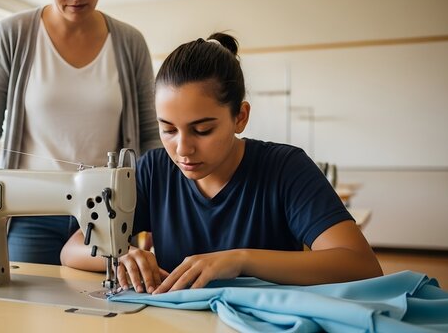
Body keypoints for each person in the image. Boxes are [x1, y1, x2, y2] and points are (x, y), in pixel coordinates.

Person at [60, 32, 383, 293]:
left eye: (202, 130)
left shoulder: (286, 167)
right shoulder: (154, 169)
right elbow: (71, 249)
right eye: (168, 129)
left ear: (240, 117)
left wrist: (239, 260)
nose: (183, 149)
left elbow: (360, 265)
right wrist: (120, 255)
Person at [0, 0, 160, 265]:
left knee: (104, 301)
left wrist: (158, 204)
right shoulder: (11, 34)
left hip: (107, 209)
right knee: (23, 306)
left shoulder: (130, 43)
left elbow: (150, 134)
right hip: (29, 212)